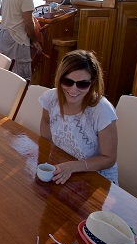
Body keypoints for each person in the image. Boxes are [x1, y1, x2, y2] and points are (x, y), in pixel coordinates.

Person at [39, 50, 118, 184]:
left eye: (82, 84)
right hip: (62, 170)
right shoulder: (51, 98)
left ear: (92, 82)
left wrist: (72, 167)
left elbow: (109, 158)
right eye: (68, 81)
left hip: (96, 180)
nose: (73, 90)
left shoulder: (102, 110)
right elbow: (46, 123)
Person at [0, 0, 43, 80]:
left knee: (5, 74)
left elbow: (2, 12)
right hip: (17, 39)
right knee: (20, 79)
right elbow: (28, 23)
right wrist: (34, 41)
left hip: (5, 36)